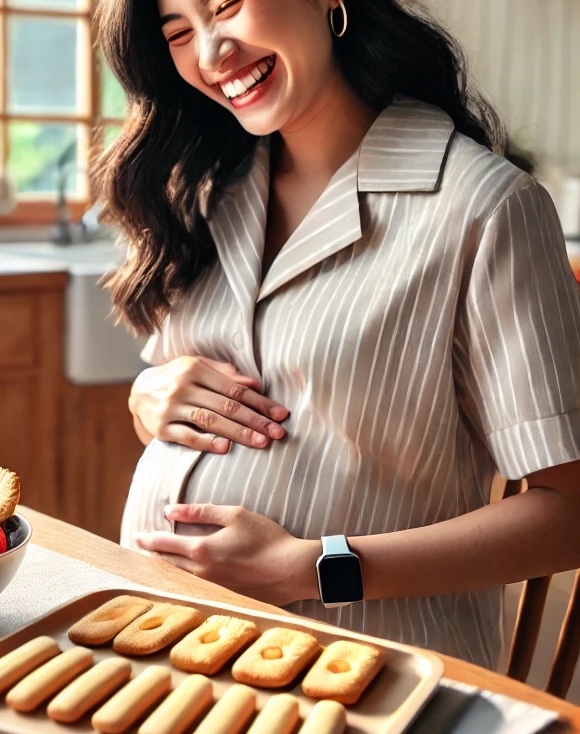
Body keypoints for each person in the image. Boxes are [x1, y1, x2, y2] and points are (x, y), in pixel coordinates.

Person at [92, 0, 580, 670]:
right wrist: (148, 396)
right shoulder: (206, 192)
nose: (210, 54)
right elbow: (221, 421)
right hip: (160, 647)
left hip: (365, 673)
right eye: (178, 32)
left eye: (226, 6)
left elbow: (568, 516)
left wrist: (315, 568)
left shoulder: (485, 208)